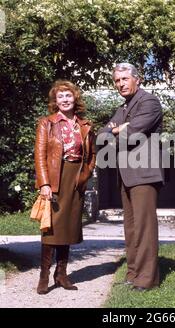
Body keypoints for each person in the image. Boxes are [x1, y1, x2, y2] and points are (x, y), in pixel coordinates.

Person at [98, 63, 164, 291]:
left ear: (138, 79)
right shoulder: (124, 107)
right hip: (126, 175)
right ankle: (134, 273)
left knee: (144, 228)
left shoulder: (149, 102)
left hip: (144, 173)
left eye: (125, 79)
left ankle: (147, 280)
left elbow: (133, 134)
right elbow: (101, 135)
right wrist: (116, 129)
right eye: (117, 80)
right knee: (131, 228)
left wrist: (118, 130)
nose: (120, 84)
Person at [34, 80, 96, 295]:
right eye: (60, 97)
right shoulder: (47, 123)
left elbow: (92, 155)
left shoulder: (84, 125)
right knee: (51, 228)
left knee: (68, 226)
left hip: (76, 179)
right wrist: (44, 183)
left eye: (68, 96)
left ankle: (61, 274)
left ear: (75, 98)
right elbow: (40, 156)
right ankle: (44, 276)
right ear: (55, 101)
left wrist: (85, 175)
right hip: (55, 178)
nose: (65, 100)